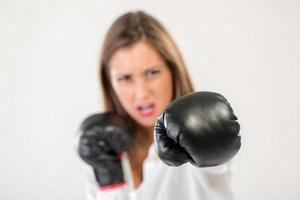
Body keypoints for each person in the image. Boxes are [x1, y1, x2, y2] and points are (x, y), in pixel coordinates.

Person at [75, 10, 241, 200]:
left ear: (173, 71)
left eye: (152, 73)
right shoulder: (101, 145)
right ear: (109, 83)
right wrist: (110, 183)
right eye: (125, 78)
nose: (142, 92)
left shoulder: (196, 136)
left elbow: (217, 169)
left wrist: (212, 138)